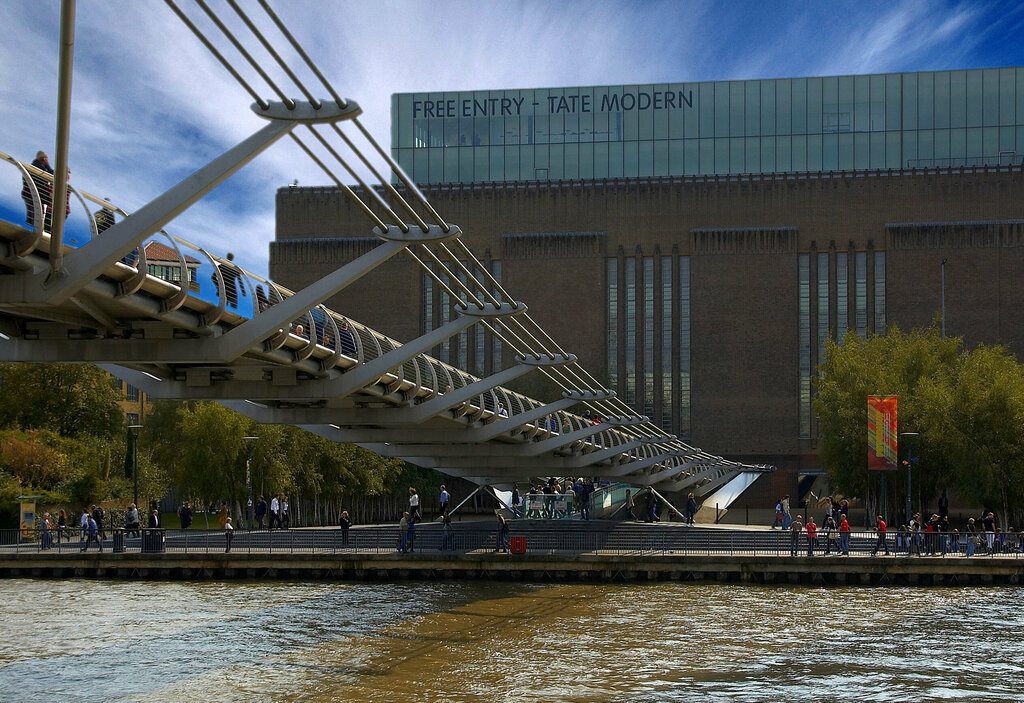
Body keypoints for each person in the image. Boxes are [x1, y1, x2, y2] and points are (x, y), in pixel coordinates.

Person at [21, 151, 52, 228]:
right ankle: (32, 230)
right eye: (45, 158)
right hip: (33, 194)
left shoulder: (40, 167)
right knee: (36, 216)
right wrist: (47, 165)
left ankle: (31, 229)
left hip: (34, 195)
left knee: (34, 216)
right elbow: (51, 174)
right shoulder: (37, 167)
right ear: (43, 158)